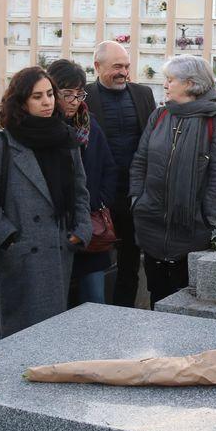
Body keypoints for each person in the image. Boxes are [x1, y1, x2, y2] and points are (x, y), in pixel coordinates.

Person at [0, 67, 91, 335]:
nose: (47, 102)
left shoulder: (65, 138)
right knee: (21, 336)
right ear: (21, 101)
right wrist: (10, 238)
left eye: (49, 94)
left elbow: (81, 190)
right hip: (23, 256)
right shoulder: (0, 144)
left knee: (53, 333)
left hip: (59, 250)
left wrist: (81, 231)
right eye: (37, 96)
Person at [129, 55, 216, 305]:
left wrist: (209, 218)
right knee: (157, 297)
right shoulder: (160, 116)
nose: (165, 84)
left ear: (191, 83)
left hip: (193, 232)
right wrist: (137, 200)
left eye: (171, 79)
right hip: (152, 225)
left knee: (185, 303)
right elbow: (140, 161)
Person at [85, 41, 156, 306]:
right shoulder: (85, 98)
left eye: (126, 66)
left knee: (129, 261)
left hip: (134, 194)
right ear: (97, 66)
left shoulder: (143, 95)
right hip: (99, 197)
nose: (123, 72)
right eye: (116, 66)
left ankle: (124, 312)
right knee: (94, 262)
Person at [48, 59, 116, 305]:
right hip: (55, 232)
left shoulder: (89, 123)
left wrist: (96, 202)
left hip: (90, 229)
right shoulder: (44, 129)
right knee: (57, 303)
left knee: (95, 299)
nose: (75, 101)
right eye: (68, 94)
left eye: (80, 94)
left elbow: (109, 168)